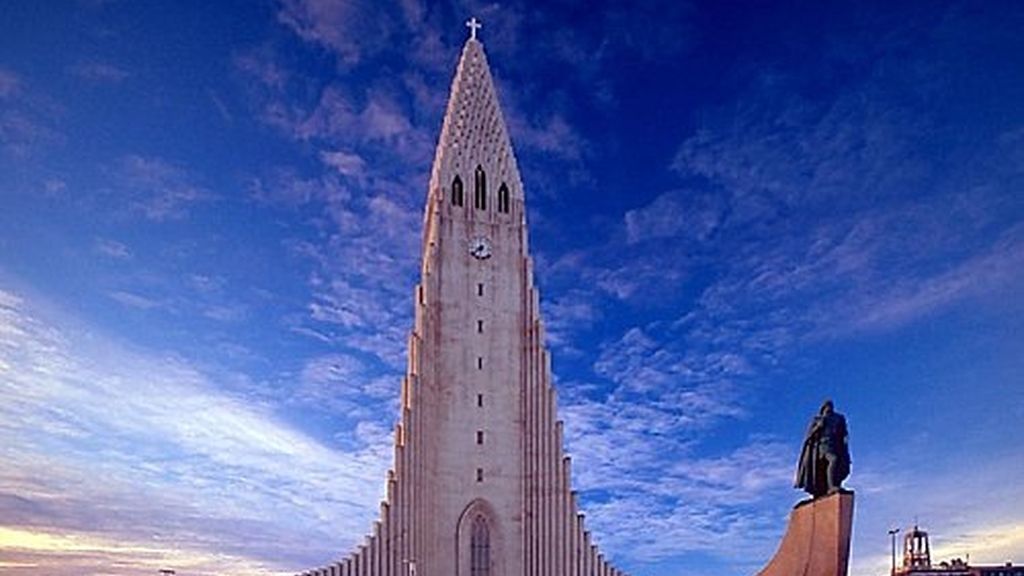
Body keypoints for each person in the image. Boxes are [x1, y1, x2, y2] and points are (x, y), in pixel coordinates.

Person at [795, 399, 850, 497]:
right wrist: (818, 427)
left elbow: (844, 432)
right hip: (821, 447)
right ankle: (831, 486)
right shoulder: (817, 419)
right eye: (827, 406)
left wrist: (845, 439)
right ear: (823, 408)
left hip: (835, 446)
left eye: (831, 406)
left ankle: (830, 487)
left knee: (834, 463)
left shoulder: (838, 418)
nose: (829, 408)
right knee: (832, 461)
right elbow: (809, 436)